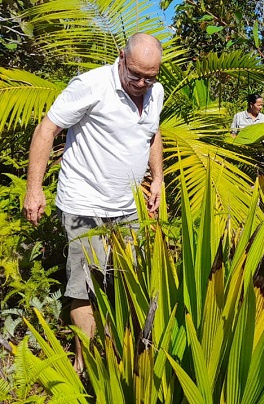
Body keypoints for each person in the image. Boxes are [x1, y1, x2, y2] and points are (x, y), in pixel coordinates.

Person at [23, 33, 164, 374]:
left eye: (150, 76)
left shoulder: (154, 92)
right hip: (85, 205)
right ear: (121, 58)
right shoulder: (90, 85)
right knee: (85, 288)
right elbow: (46, 131)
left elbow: (152, 132)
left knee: (128, 282)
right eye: (135, 75)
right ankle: (84, 369)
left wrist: (157, 176)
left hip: (129, 207)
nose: (142, 83)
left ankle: (117, 356)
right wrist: (34, 190)